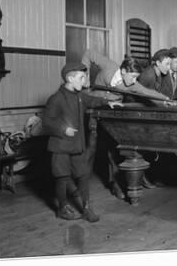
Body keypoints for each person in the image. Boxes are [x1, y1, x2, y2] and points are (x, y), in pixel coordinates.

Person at [80, 49, 170, 199]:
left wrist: (166, 100)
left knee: (111, 148)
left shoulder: (131, 85)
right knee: (90, 148)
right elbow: (88, 54)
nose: (134, 81)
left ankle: (114, 184)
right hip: (93, 109)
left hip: (111, 113)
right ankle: (82, 187)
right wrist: (85, 76)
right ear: (122, 71)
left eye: (136, 77)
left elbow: (148, 93)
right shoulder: (110, 66)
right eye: (133, 76)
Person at [43, 63, 120, 222]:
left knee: (84, 175)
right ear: (70, 78)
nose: (85, 80)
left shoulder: (79, 96)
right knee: (62, 178)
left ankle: (86, 207)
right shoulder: (56, 99)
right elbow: (47, 123)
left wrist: (107, 103)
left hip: (77, 146)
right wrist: (63, 130)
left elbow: (92, 100)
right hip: (61, 147)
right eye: (81, 77)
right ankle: (62, 207)